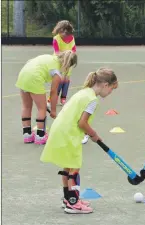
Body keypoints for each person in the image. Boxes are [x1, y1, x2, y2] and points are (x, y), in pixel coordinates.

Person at [40, 68, 118, 214]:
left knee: (68, 166)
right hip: (68, 134)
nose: (110, 93)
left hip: (60, 130)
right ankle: (73, 203)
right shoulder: (92, 100)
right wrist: (94, 135)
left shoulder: (84, 92)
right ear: (105, 85)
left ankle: (68, 197)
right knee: (74, 168)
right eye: (112, 89)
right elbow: (82, 123)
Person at [15, 50, 78, 145]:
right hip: (35, 78)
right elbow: (54, 92)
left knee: (26, 107)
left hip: (23, 75)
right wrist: (53, 110)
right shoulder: (57, 72)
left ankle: (27, 135)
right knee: (42, 108)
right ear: (68, 64)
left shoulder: (49, 57)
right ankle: (40, 136)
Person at [47, 20, 76, 106]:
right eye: (61, 32)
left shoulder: (72, 38)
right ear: (59, 30)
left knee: (66, 79)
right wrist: (64, 57)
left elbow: (74, 50)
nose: (64, 35)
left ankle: (63, 98)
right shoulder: (56, 39)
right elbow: (57, 52)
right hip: (58, 61)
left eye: (66, 33)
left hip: (68, 61)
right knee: (58, 80)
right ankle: (51, 99)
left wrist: (70, 57)